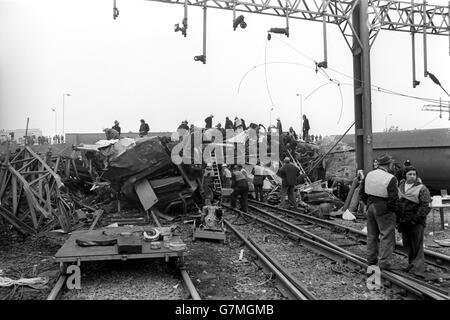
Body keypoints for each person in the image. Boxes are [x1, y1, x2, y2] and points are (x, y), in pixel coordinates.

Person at [359, 154, 401, 270]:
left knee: (372, 235)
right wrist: (393, 211)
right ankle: (384, 263)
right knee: (386, 235)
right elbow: (394, 198)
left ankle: (371, 259)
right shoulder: (391, 178)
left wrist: (368, 203)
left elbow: (361, 193)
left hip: (370, 205)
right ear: (389, 164)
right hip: (384, 208)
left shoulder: (369, 175)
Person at [396, 166, 431, 278]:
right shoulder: (400, 187)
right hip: (404, 221)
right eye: (410, 174)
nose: (412, 176)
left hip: (416, 221)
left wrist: (416, 219)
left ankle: (418, 269)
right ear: (405, 175)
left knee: (417, 244)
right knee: (407, 243)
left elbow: (425, 205)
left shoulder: (422, 188)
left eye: (414, 174)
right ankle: (411, 264)